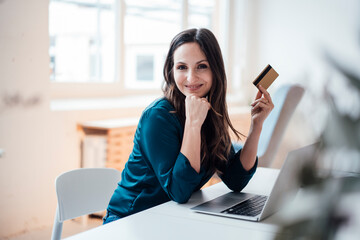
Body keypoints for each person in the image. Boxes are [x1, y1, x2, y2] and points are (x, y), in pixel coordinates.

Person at [103, 28, 274, 224]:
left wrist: (256, 125)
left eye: (201, 66)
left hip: (170, 218)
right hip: (130, 220)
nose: (191, 78)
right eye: (182, 67)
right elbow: (179, 191)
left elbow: (236, 180)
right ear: (171, 71)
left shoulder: (208, 110)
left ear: (215, 70)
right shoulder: (158, 117)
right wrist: (193, 125)